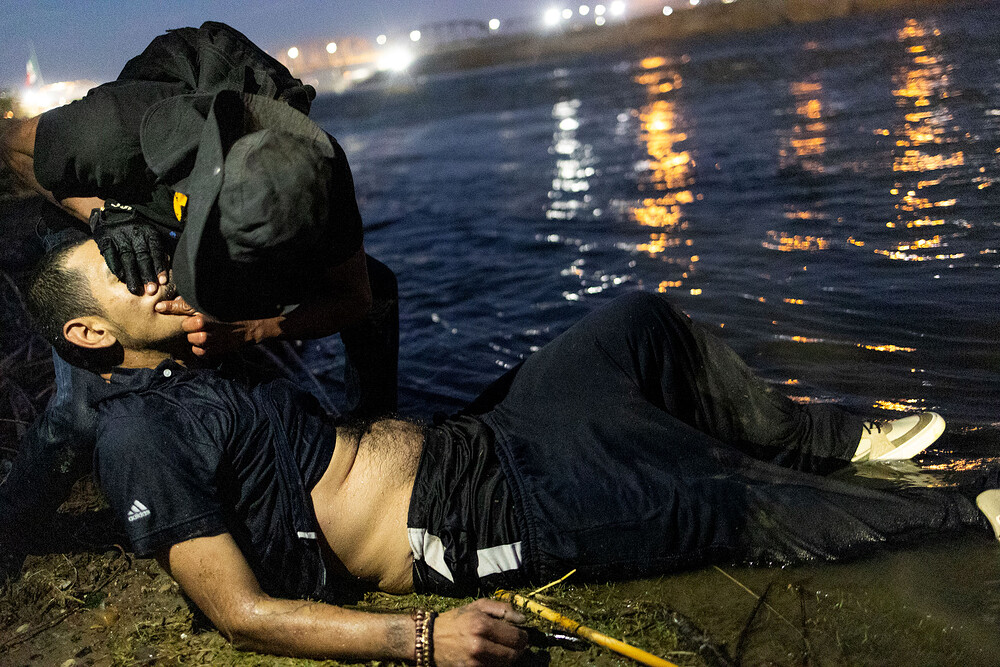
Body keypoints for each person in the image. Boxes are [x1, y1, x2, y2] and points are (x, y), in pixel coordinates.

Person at [18, 237, 1000, 665]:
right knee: (729, 499)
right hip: (477, 517)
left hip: (484, 436)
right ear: (90, 338)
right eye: (118, 278)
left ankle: (831, 437)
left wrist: (240, 325)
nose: (144, 275)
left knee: (636, 322)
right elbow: (238, 614)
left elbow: (366, 282)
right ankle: (972, 515)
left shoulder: (200, 354)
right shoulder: (137, 436)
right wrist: (420, 638)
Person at [0, 23, 398, 570]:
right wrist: (101, 214)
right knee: (82, 404)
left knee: (381, 297)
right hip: (98, 213)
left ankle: (370, 438)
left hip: (194, 208)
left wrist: (254, 328)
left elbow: (357, 296)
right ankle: (13, 528)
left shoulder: (311, 172)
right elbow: (12, 146)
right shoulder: (108, 134)